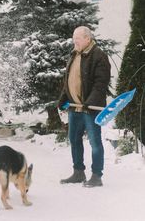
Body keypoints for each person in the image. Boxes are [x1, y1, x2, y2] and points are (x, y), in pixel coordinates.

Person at [58, 26, 111, 187]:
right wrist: (63, 98)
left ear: (88, 39)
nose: (75, 42)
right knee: (74, 139)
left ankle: (96, 175)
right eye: (74, 39)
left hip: (90, 108)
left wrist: (91, 102)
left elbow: (101, 83)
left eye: (78, 39)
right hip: (75, 107)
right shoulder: (74, 54)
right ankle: (78, 172)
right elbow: (69, 79)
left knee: (95, 142)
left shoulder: (98, 56)